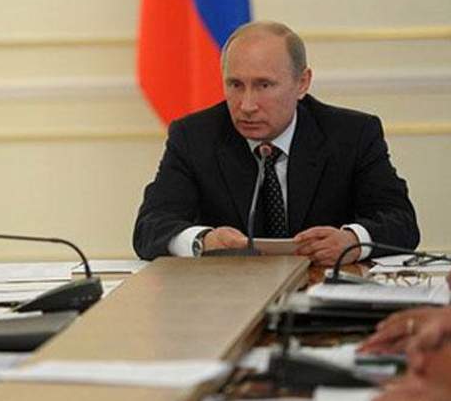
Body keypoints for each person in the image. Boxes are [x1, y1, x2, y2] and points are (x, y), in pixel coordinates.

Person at [133, 21, 419, 266]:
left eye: (264, 85)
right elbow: (150, 227)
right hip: (227, 297)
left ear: (302, 83)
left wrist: (352, 240)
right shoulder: (194, 137)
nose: (247, 105)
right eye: (235, 85)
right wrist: (202, 241)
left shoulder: (352, 134)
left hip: (325, 291)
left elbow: (401, 221)